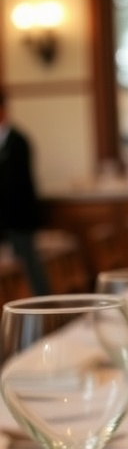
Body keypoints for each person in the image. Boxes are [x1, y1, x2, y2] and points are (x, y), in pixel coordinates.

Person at [0, 89, 50, 295]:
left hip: (19, 217)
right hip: (4, 218)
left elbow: (16, 182)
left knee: (28, 265)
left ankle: (42, 306)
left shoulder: (18, 141)